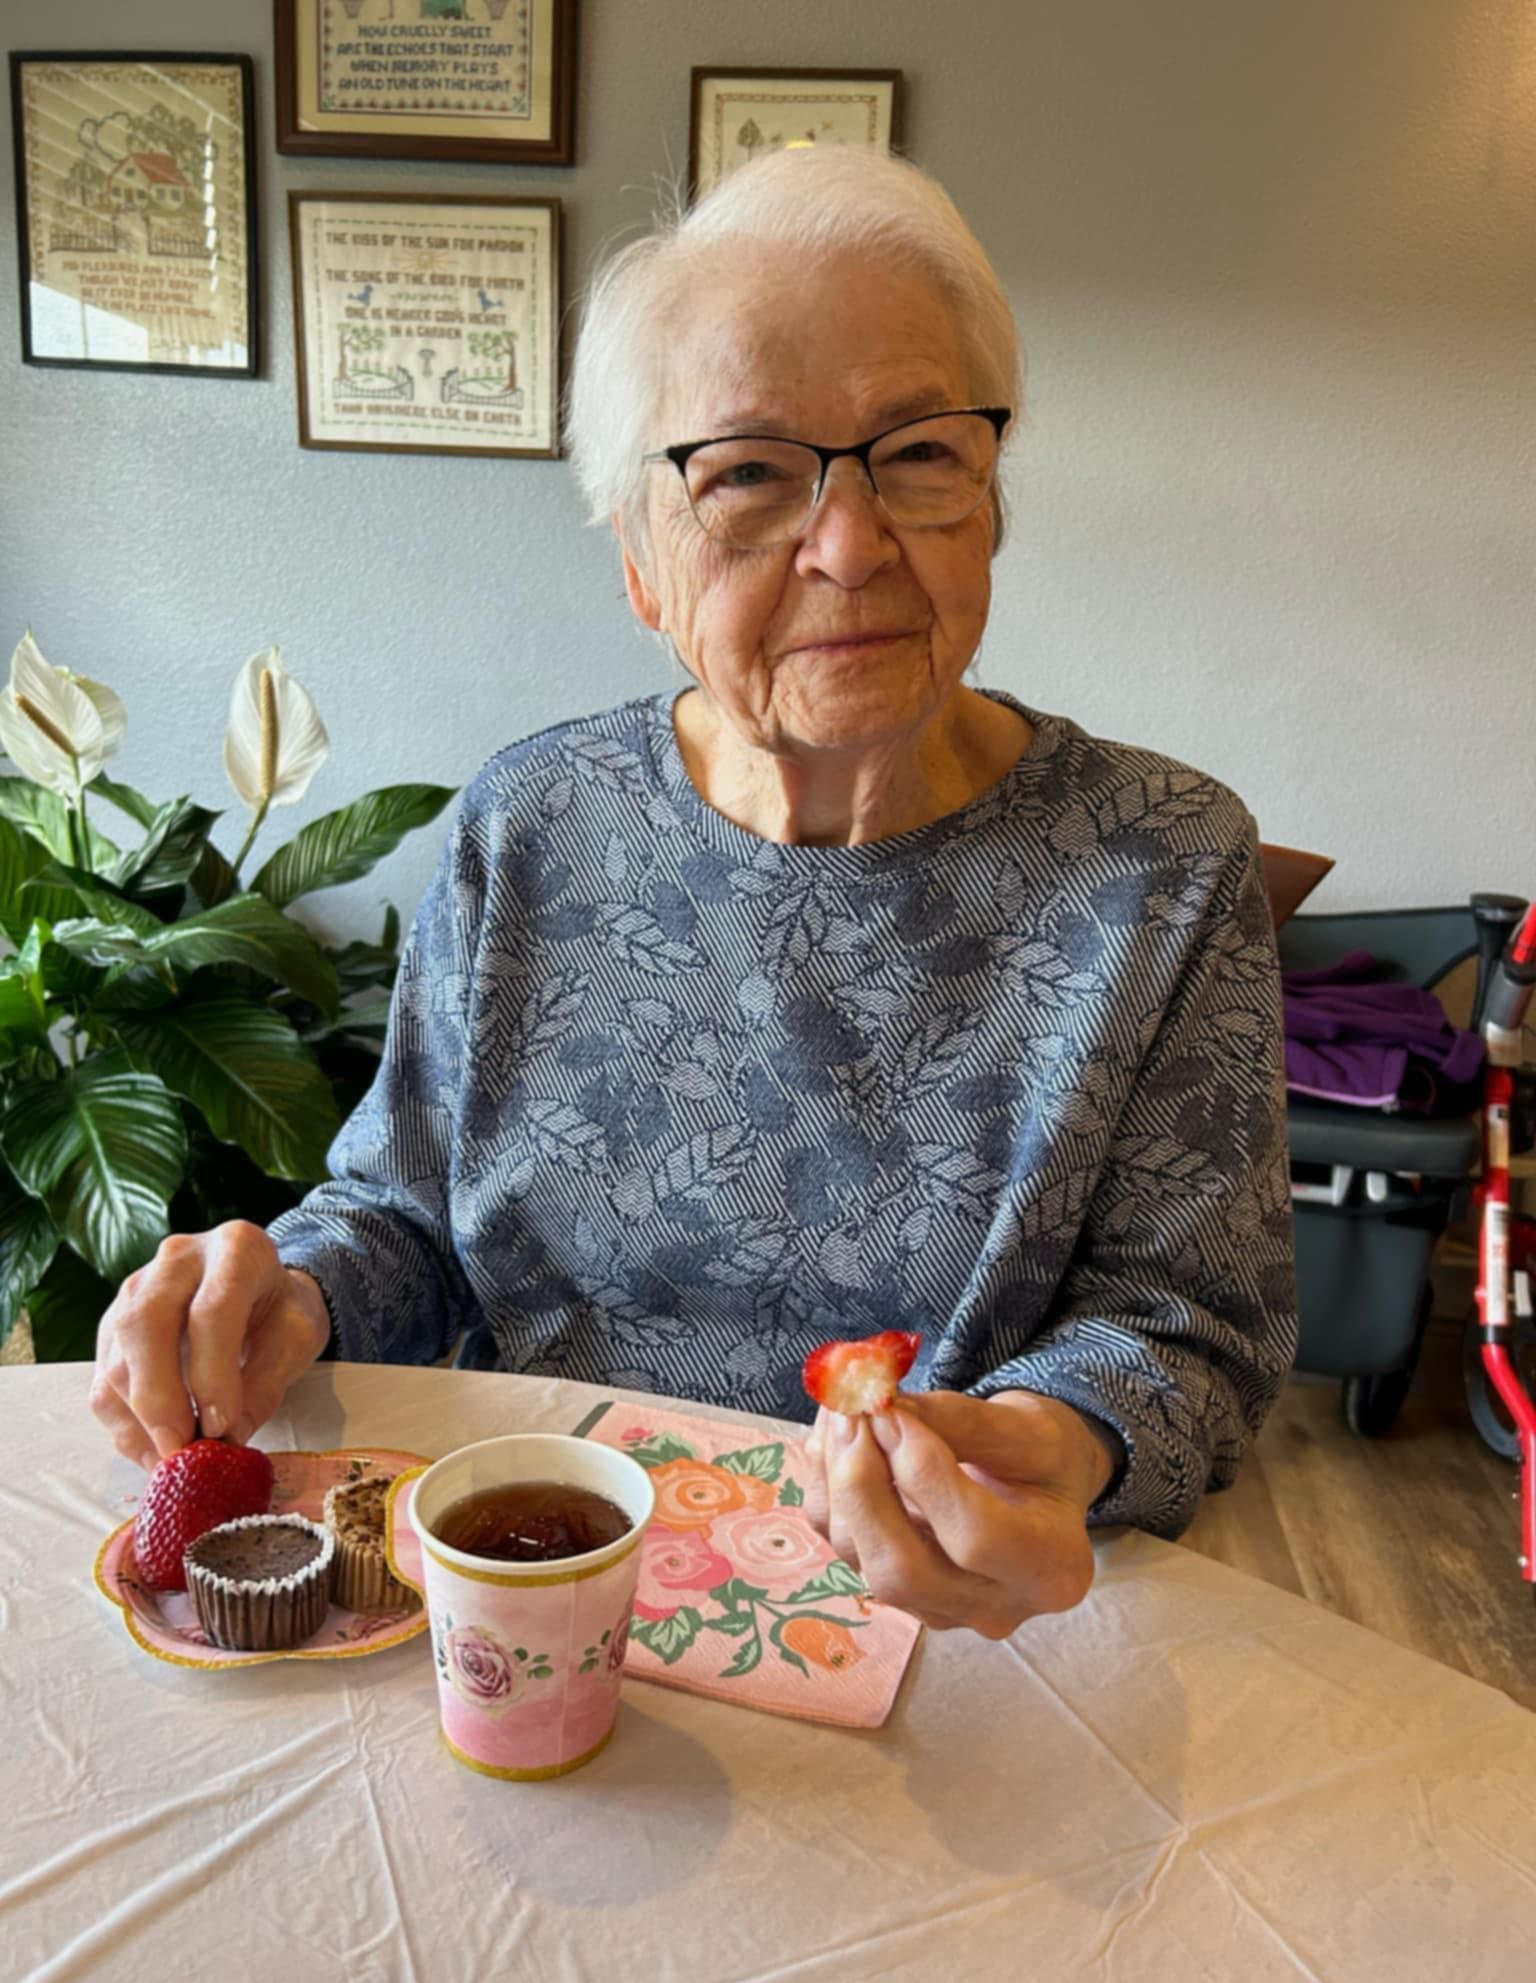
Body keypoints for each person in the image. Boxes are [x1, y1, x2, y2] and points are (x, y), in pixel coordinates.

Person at [90, 146, 1296, 1639]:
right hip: (520, 1576)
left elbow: (1189, 1328)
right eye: (745, 476)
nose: (851, 546)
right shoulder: (530, 824)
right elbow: (405, 1214)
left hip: (954, 1614)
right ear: (642, 566)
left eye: (919, 452)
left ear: (990, 501)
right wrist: (294, 1293)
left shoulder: (1162, 866)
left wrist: (1052, 1437)